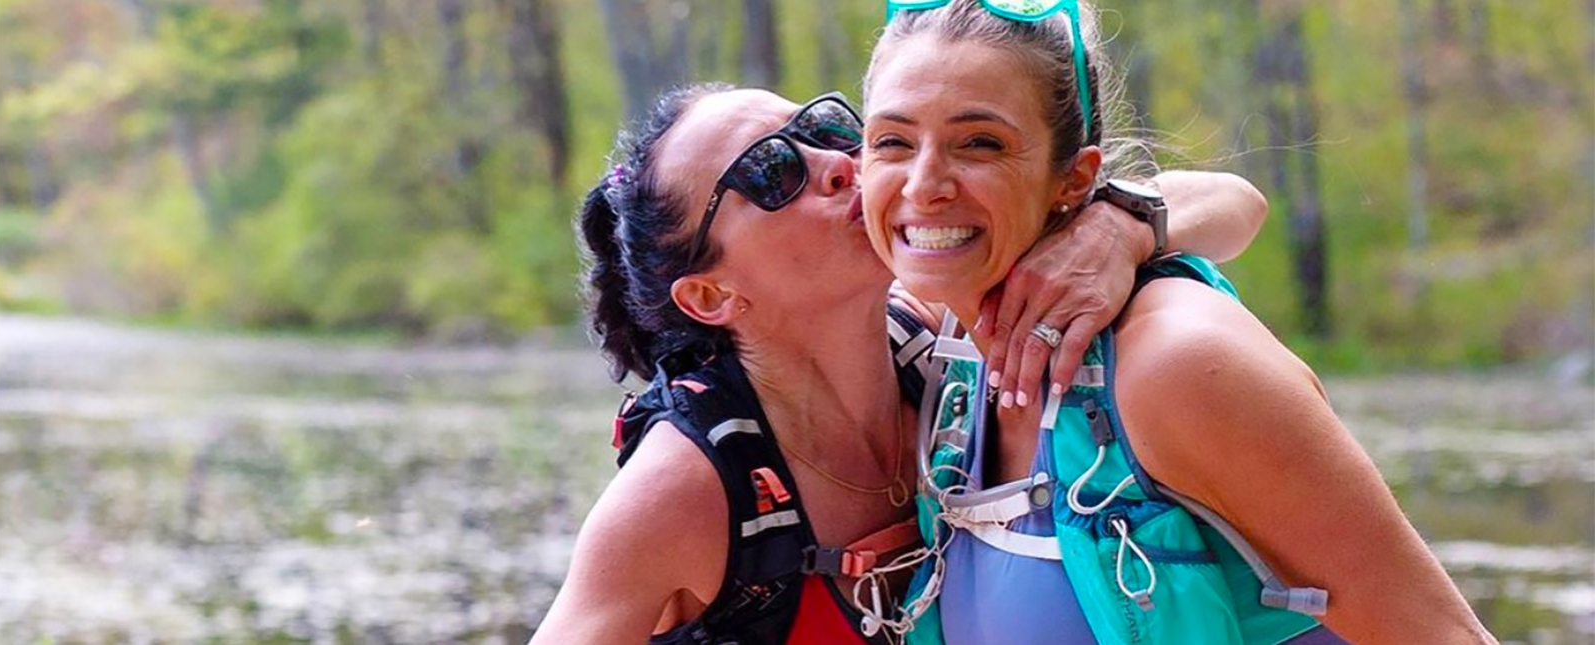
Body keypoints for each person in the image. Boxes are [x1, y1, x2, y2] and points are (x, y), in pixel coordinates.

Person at [531, 81, 1270, 644]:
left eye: (826, 129)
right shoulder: (685, 488)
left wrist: (1118, 226)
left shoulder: (948, 325)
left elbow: (1237, 205)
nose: (837, 165)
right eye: (771, 172)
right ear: (710, 293)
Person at [857, 1, 1498, 644]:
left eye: (980, 143)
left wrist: (1125, 220)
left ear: (1075, 180)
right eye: (893, 141)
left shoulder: (1177, 364)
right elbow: (1233, 200)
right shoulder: (949, 356)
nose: (923, 184)